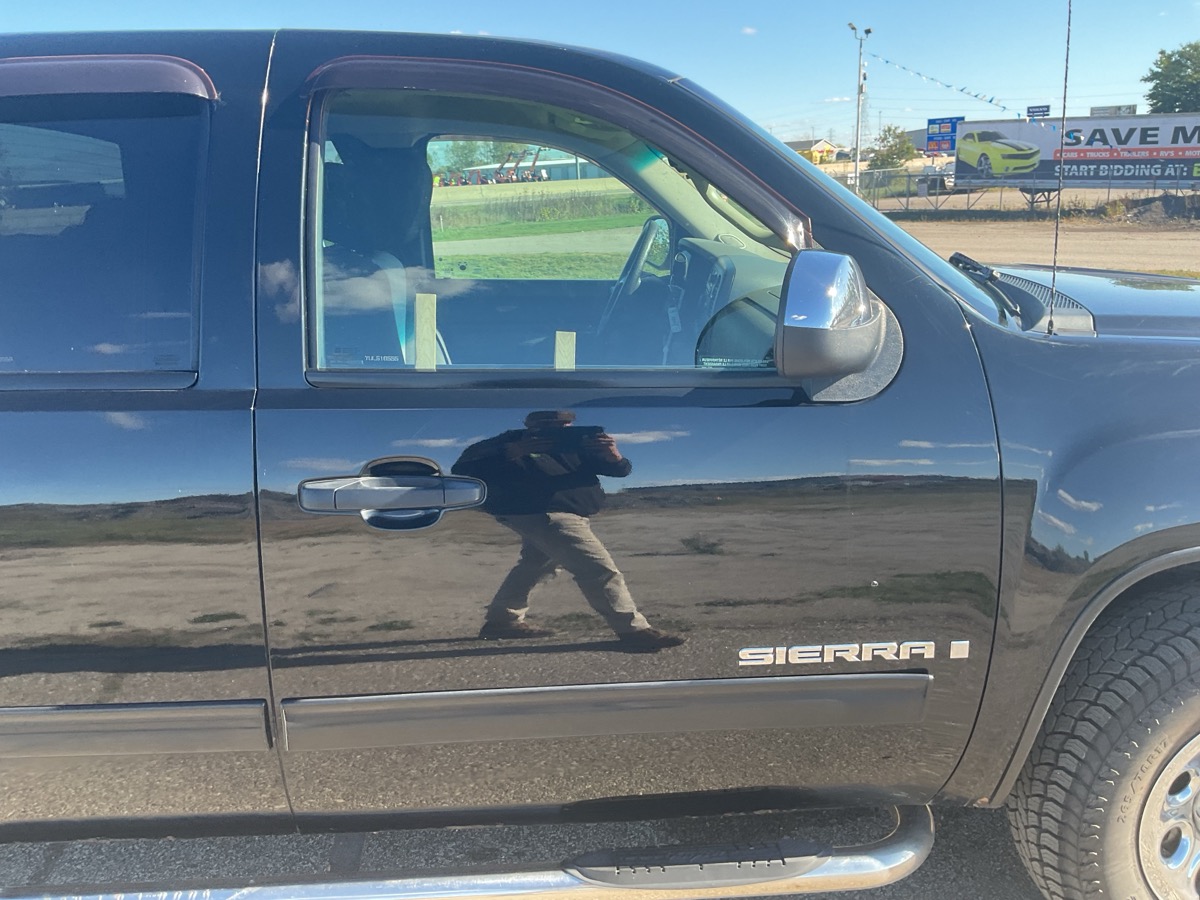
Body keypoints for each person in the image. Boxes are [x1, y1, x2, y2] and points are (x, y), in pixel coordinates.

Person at [452, 410, 685, 652]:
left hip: (568, 512)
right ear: (529, 424)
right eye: (545, 423)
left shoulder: (577, 444)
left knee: (537, 565)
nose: (555, 428)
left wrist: (613, 455)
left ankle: (502, 621)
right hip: (540, 512)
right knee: (596, 568)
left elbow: (620, 471)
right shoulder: (501, 444)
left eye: (563, 424)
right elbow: (464, 471)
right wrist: (511, 452)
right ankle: (633, 630)